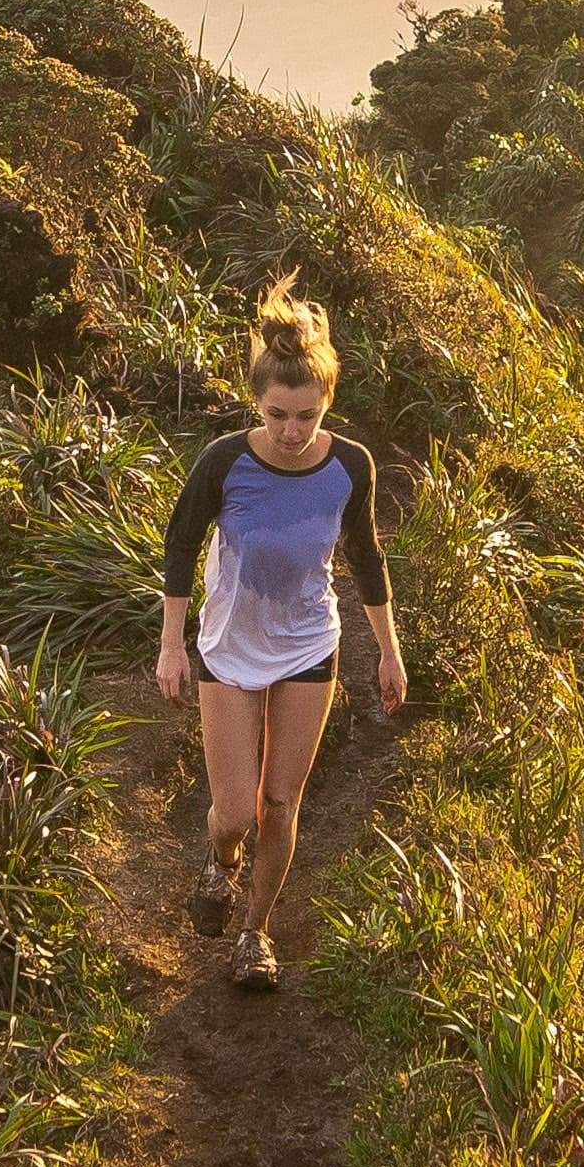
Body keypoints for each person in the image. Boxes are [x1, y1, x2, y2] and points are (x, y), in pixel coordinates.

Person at [153, 277, 405, 988]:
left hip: (307, 645)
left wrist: (387, 653)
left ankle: (254, 933)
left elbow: (366, 558)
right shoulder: (223, 461)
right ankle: (221, 862)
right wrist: (172, 644)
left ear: (325, 403)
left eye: (306, 414)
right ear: (254, 402)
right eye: (277, 414)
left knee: (279, 802)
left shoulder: (350, 465)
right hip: (229, 646)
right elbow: (178, 545)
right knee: (233, 812)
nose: (292, 431)